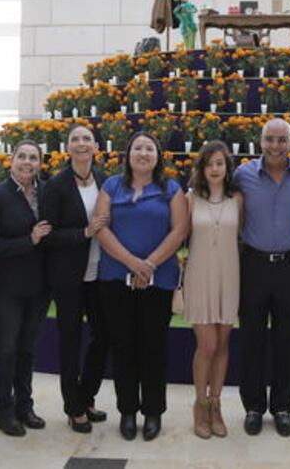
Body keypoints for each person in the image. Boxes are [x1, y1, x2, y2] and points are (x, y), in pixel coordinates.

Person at [95, 132, 188, 442]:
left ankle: (152, 412)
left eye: (150, 148)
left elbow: (179, 231)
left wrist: (149, 264)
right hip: (115, 278)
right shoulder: (111, 186)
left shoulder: (170, 188)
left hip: (158, 279)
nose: (144, 153)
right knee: (123, 345)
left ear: (158, 155)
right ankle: (127, 411)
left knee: (153, 345)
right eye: (138, 148)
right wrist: (133, 263)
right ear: (129, 153)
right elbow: (101, 226)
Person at [234, 118, 290, 437]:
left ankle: (282, 407)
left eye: (282, 140)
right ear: (260, 141)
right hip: (253, 264)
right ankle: (253, 407)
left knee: (286, 340)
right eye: (270, 139)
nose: (276, 146)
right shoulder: (242, 175)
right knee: (251, 338)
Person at [0, 141, 51, 437]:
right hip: (6, 288)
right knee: (6, 349)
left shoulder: (47, 192)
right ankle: (3, 410)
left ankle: (25, 406)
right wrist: (29, 240)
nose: (27, 162)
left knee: (27, 350)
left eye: (33, 158)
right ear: (12, 161)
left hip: (39, 287)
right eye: (22, 156)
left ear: (40, 163)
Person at [41, 124, 109, 432]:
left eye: (86, 139)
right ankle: (73, 406)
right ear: (68, 148)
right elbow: (48, 236)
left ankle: (87, 396)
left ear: (96, 146)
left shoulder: (107, 181)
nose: (81, 144)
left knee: (103, 337)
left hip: (100, 274)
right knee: (71, 341)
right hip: (68, 277)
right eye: (75, 139)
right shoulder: (55, 186)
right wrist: (83, 233)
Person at [183, 140, 243, 439]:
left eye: (220, 163)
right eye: (209, 164)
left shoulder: (238, 198)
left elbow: (242, 235)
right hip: (200, 274)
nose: (215, 169)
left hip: (229, 275)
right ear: (202, 168)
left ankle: (216, 404)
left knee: (222, 345)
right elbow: (180, 235)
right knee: (205, 345)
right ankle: (200, 404)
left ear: (227, 167)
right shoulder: (190, 198)